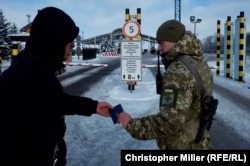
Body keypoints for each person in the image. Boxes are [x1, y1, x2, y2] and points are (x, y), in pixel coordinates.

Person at [0, 7, 113, 165]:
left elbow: (52, 101)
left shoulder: (34, 70)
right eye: (69, 40)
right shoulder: (29, 75)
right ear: (54, 41)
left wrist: (93, 107)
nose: (73, 45)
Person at [118, 20, 213, 150]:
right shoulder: (197, 60)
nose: (159, 48)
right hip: (200, 141)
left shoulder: (177, 73)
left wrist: (132, 125)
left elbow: (169, 123)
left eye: (162, 43)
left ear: (175, 41)